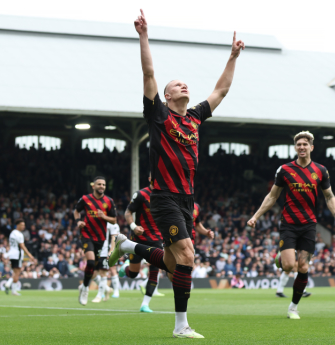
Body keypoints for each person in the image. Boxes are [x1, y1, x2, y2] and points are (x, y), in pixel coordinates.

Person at [109, 9, 244, 338]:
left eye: (185, 83)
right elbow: (149, 73)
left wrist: (233, 56)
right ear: (167, 96)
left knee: (173, 264)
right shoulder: (158, 115)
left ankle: (127, 246)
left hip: (187, 199)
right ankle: (181, 326)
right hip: (164, 197)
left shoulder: (196, 116)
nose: (183, 85)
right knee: (187, 255)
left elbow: (221, 90)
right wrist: (143, 35)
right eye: (176, 85)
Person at [248, 131, 335, 319]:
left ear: (311, 147)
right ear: (295, 147)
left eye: (305, 144)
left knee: (303, 267)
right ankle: (283, 258)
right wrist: (256, 216)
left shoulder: (321, 170)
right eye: (298, 144)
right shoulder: (284, 170)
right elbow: (272, 196)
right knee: (288, 266)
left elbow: (329, 196)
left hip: (309, 225)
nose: (302, 147)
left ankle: (293, 307)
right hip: (289, 224)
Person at [120, 174, 164, 313]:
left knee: (154, 271)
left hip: (156, 240)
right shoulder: (141, 194)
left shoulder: (166, 196)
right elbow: (128, 212)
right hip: (138, 239)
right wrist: (134, 227)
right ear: (149, 177)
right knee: (133, 274)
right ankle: (125, 268)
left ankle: (145, 304)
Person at [74, 176, 116, 306]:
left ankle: (84, 287)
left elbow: (114, 220)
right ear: (93, 186)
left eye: (103, 184)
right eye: (99, 184)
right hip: (87, 234)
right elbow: (76, 211)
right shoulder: (86, 199)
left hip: (101, 238)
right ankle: (85, 289)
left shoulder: (109, 201)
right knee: (91, 262)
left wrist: (104, 216)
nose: (102, 186)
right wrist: (78, 221)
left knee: (93, 268)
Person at [4, 218, 36, 296]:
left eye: (24, 225)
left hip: (12, 254)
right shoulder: (19, 234)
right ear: (17, 225)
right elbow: (22, 245)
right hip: (17, 255)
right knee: (17, 273)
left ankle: (9, 284)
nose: (23, 226)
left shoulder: (12, 233)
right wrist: (29, 255)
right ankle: (13, 290)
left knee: (15, 272)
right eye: (22, 225)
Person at [91, 221, 119, 302]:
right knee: (93, 274)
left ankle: (99, 295)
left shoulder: (111, 223)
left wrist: (111, 250)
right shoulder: (94, 220)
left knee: (104, 273)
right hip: (95, 251)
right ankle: (107, 289)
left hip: (104, 251)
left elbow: (114, 237)